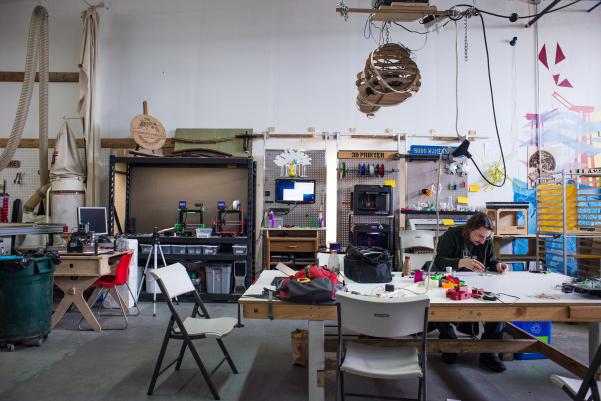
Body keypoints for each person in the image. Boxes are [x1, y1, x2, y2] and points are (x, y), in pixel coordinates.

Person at [432, 212, 509, 372]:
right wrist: (461, 262)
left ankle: (489, 352)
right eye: (479, 236)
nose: (482, 241)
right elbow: (438, 261)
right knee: (439, 301)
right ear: (469, 229)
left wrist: (498, 266)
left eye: (486, 238)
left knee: (497, 305)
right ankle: (449, 342)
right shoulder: (451, 235)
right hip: (451, 280)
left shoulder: (486, 240)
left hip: (478, 281)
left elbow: (491, 260)